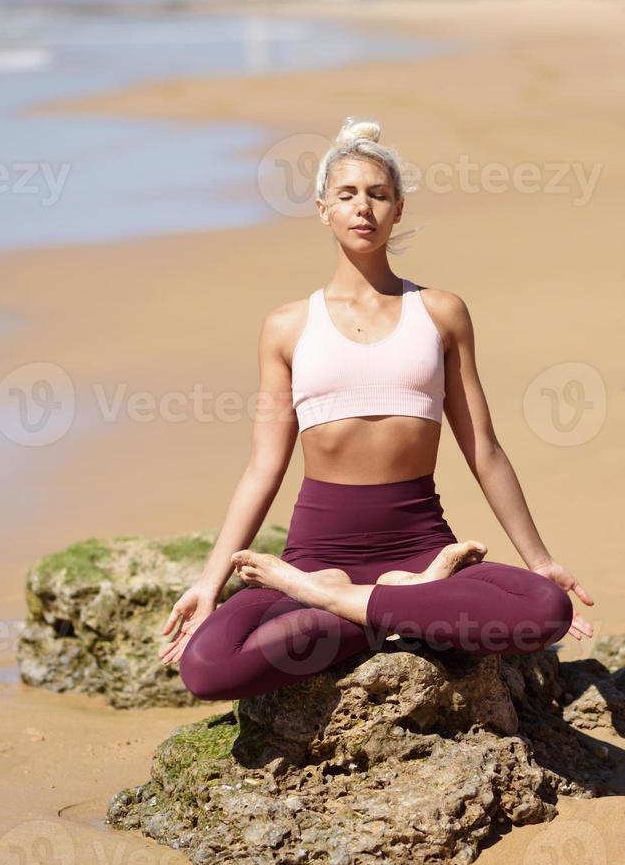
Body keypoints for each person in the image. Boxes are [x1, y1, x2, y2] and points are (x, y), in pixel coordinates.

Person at [159, 116, 594, 701]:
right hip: (316, 554)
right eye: (347, 194)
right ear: (322, 210)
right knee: (208, 668)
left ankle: (338, 604)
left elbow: (483, 449)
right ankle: (394, 605)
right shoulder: (287, 326)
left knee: (545, 609)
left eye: (378, 194)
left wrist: (539, 561)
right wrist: (209, 583)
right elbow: (264, 465)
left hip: (420, 548)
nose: (363, 207)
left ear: (398, 208)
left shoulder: (441, 312)